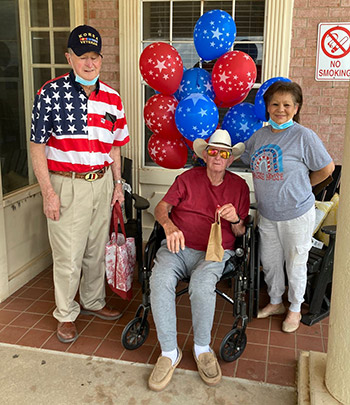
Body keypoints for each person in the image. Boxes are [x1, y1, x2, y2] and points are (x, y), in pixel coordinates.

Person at [30, 25, 129, 343]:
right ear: (68, 58)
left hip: (101, 183)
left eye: (95, 57)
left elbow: (115, 145)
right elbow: (36, 146)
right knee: (68, 256)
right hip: (66, 184)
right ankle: (66, 313)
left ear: (101, 59)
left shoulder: (112, 98)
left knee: (95, 251)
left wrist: (117, 185)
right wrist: (48, 193)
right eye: (82, 57)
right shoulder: (50, 93)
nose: (90, 63)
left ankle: (93, 301)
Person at [147, 129, 250, 391]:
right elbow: (161, 207)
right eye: (213, 151)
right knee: (159, 279)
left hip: (216, 252)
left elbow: (241, 233)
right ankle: (169, 352)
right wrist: (169, 227)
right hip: (179, 248)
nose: (217, 157)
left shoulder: (239, 187)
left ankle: (202, 349)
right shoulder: (186, 178)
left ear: (230, 159)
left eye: (223, 153)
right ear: (205, 155)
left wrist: (235, 219)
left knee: (202, 284)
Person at [240, 81, 335, 333]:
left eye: (286, 105)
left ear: (296, 108)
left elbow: (327, 169)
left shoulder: (304, 136)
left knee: (295, 263)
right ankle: (275, 302)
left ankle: (294, 307)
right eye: (274, 104)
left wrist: (305, 185)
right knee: (270, 263)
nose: (280, 109)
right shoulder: (259, 136)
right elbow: (243, 156)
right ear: (267, 107)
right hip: (268, 214)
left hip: (296, 214)